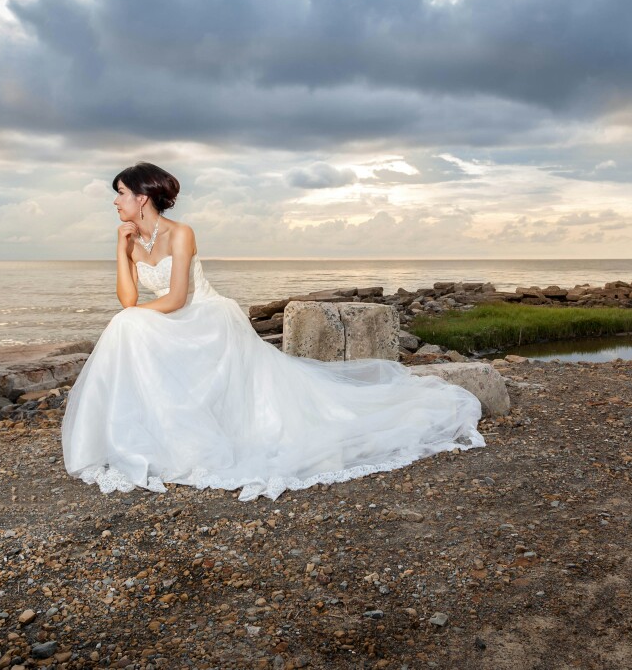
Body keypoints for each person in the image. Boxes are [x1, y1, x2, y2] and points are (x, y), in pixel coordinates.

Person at [60, 162, 485, 501]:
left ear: (143, 196)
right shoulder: (132, 241)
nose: (115, 202)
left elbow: (174, 299)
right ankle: (149, 432)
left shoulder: (181, 233)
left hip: (204, 315)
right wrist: (121, 249)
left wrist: (133, 317)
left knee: (128, 326)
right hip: (171, 319)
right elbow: (128, 299)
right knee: (127, 324)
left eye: (120, 193)